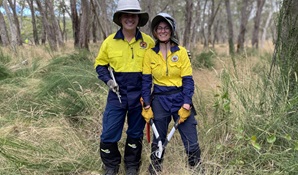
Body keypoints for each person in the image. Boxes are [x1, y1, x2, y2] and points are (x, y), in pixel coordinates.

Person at [94, 0, 154, 174]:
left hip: (140, 95)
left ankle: (132, 165)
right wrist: (108, 80)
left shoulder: (148, 42)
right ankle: (111, 166)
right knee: (109, 133)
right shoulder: (109, 42)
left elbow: (161, 57)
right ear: (120, 18)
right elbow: (100, 65)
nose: (130, 19)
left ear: (138, 18)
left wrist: (180, 53)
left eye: (133, 15)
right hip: (117, 95)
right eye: (126, 15)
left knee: (135, 133)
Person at [141, 13, 201, 174]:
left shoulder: (181, 52)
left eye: (166, 28)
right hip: (159, 100)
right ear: (155, 31)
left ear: (172, 30)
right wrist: (146, 104)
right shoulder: (149, 53)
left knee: (191, 141)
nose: (162, 31)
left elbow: (188, 80)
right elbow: (146, 81)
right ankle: (155, 170)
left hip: (180, 98)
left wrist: (187, 103)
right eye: (159, 28)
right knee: (158, 141)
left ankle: (196, 170)